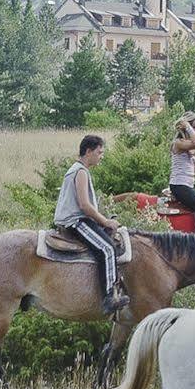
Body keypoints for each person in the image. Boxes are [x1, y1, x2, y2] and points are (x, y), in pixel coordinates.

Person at [54, 134, 128, 315]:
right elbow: (84, 205)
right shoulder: (80, 172)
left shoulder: (78, 170)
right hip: (75, 221)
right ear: (88, 151)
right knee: (108, 248)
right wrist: (105, 221)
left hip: (78, 219)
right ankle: (109, 298)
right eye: (99, 152)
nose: (101, 156)